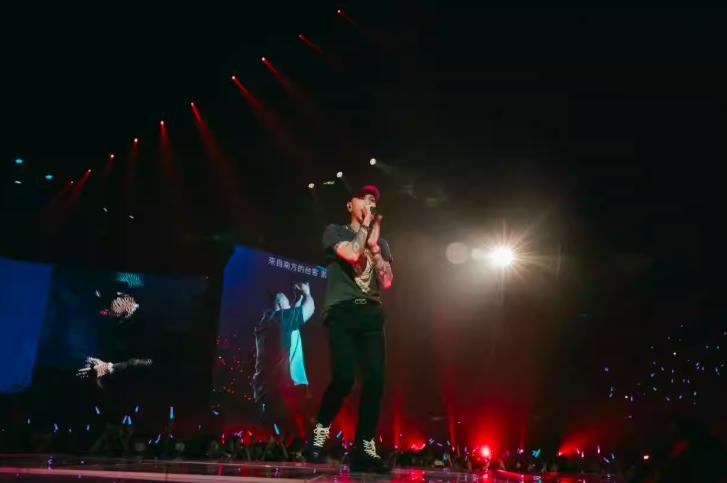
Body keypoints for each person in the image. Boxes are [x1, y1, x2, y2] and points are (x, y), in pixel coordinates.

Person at [305, 185, 394, 473]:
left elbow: (386, 280)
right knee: (344, 377)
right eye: (364, 198)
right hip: (342, 312)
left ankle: (364, 448)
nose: (370, 202)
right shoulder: (335, 231)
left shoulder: (380, 243)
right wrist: (366, 230)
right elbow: (353, 255)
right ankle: (320, 431)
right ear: (349, 206)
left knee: (375, 382)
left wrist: (376, 248)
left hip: (371, 313)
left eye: (373, 200)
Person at [252, 282, 315, 431]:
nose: (290, 308)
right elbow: (309, 309)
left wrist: (297, 300)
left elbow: (291, 316)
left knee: (282, 432)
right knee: (296, 430)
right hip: (281, 390)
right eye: (287, 304)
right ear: (280, 306)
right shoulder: (282, 320)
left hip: (265, 390)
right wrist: (307, 293)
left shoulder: (265, 324)